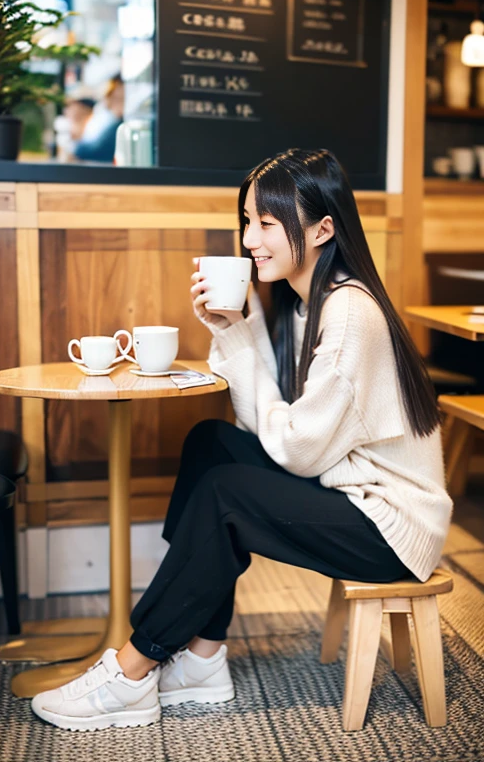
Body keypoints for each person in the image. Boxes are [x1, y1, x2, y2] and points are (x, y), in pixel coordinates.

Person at [30, 148, 453, 732]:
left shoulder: (352, 313)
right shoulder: (307, 306)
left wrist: (239, 339)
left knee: (226, 493)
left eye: (267, 223)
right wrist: (238, 330)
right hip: (347, 491)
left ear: (324, 228)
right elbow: (267, 430)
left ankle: (133, 669)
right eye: (247, 221)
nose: (250, 238)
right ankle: (202, 657)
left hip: (390, 527)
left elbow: (297, 449)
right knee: (212, 444)